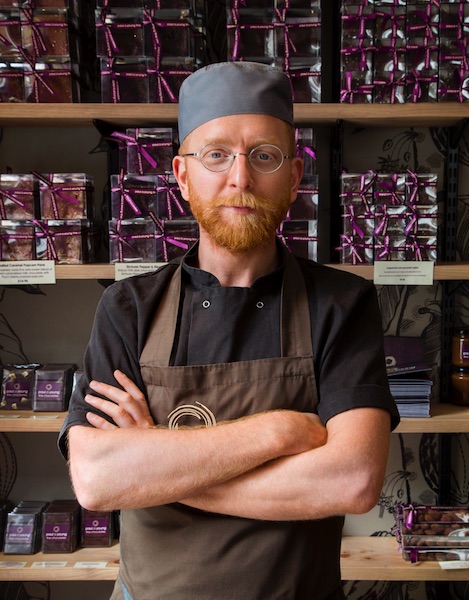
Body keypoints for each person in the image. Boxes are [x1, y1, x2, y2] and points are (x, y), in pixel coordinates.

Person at [59, 61, 399, 600]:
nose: (240, 178)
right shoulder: (127, 307)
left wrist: (156, 464)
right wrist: (280, 433)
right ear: (182, 176)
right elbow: (98, 481)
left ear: (293, 177)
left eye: (264, 155)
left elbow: (351, 480)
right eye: (216, 154)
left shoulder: (341, 303)